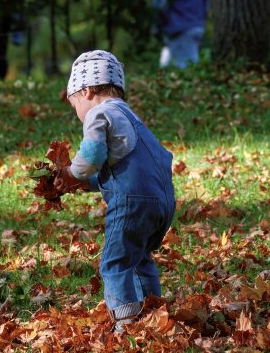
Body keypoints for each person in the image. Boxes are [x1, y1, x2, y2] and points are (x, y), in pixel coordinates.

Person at [54, 50, 175, 330]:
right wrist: (85, 183)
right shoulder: (130, 116)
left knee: (115, 263)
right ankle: (153, 313)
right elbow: (126, 170)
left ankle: (127, 323)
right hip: (161, 202)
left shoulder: (99, 112)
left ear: (86, 91)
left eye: (75, 107)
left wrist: (72, 173)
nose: (78, 115)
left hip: (132, 203)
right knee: (139, 258)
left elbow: (93, 153)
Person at [153, 0, 208, 69]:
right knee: (166, 72)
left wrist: (158, 25)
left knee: (184, 72)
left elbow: (161, 2)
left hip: (180, 28)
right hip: (196, 26)